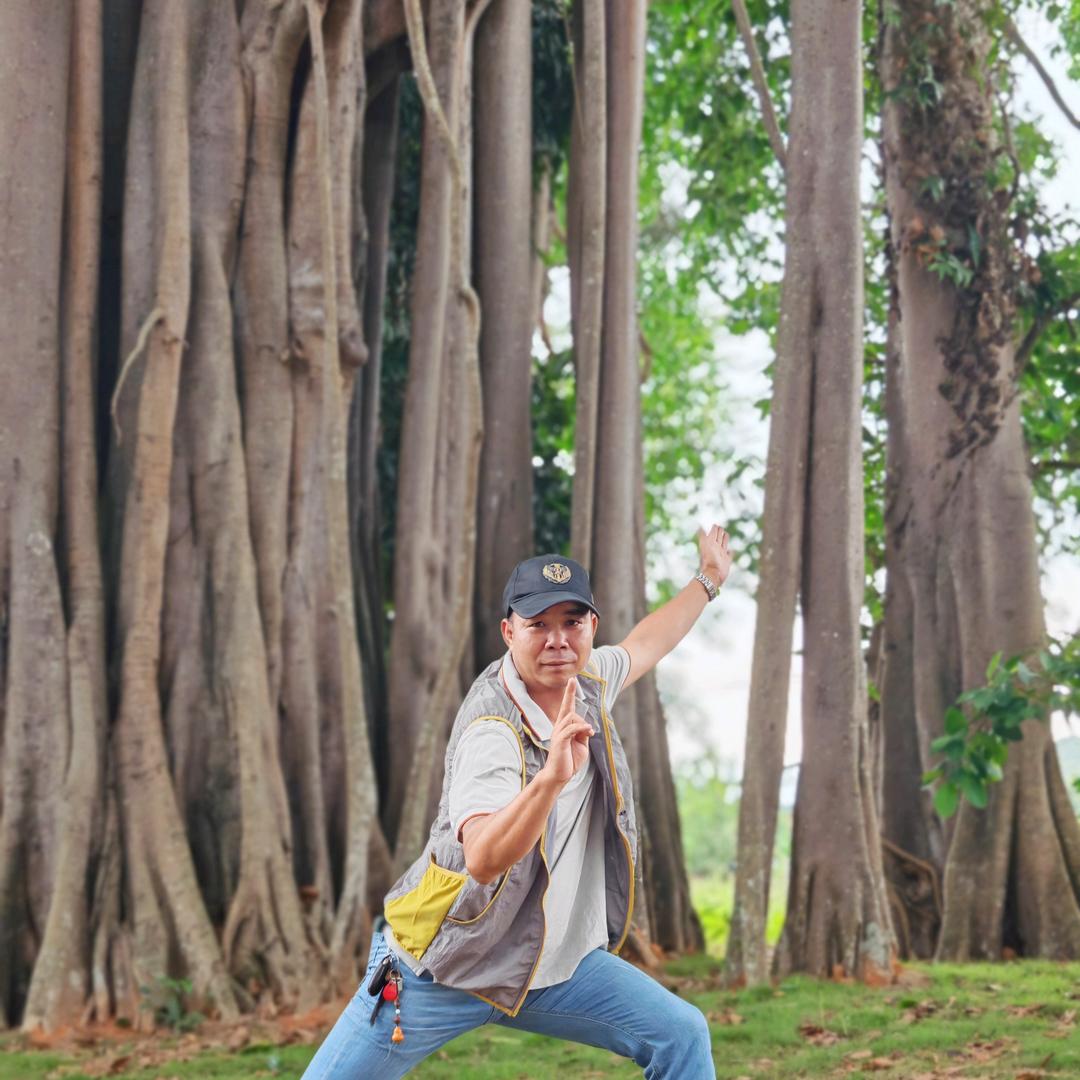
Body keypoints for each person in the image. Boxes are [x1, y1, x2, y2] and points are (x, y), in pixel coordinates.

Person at [302, 525, 733, 1079]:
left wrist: (709, 579)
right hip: (439, 969)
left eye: (572, 623)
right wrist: (549, 781)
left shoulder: (590, 679)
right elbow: (482, 857)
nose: (558, 641)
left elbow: (648, 642)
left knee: (681, 1034)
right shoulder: (492, 728)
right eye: (538, 626)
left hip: (546, 967)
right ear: (509, 632)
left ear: (591, 628)